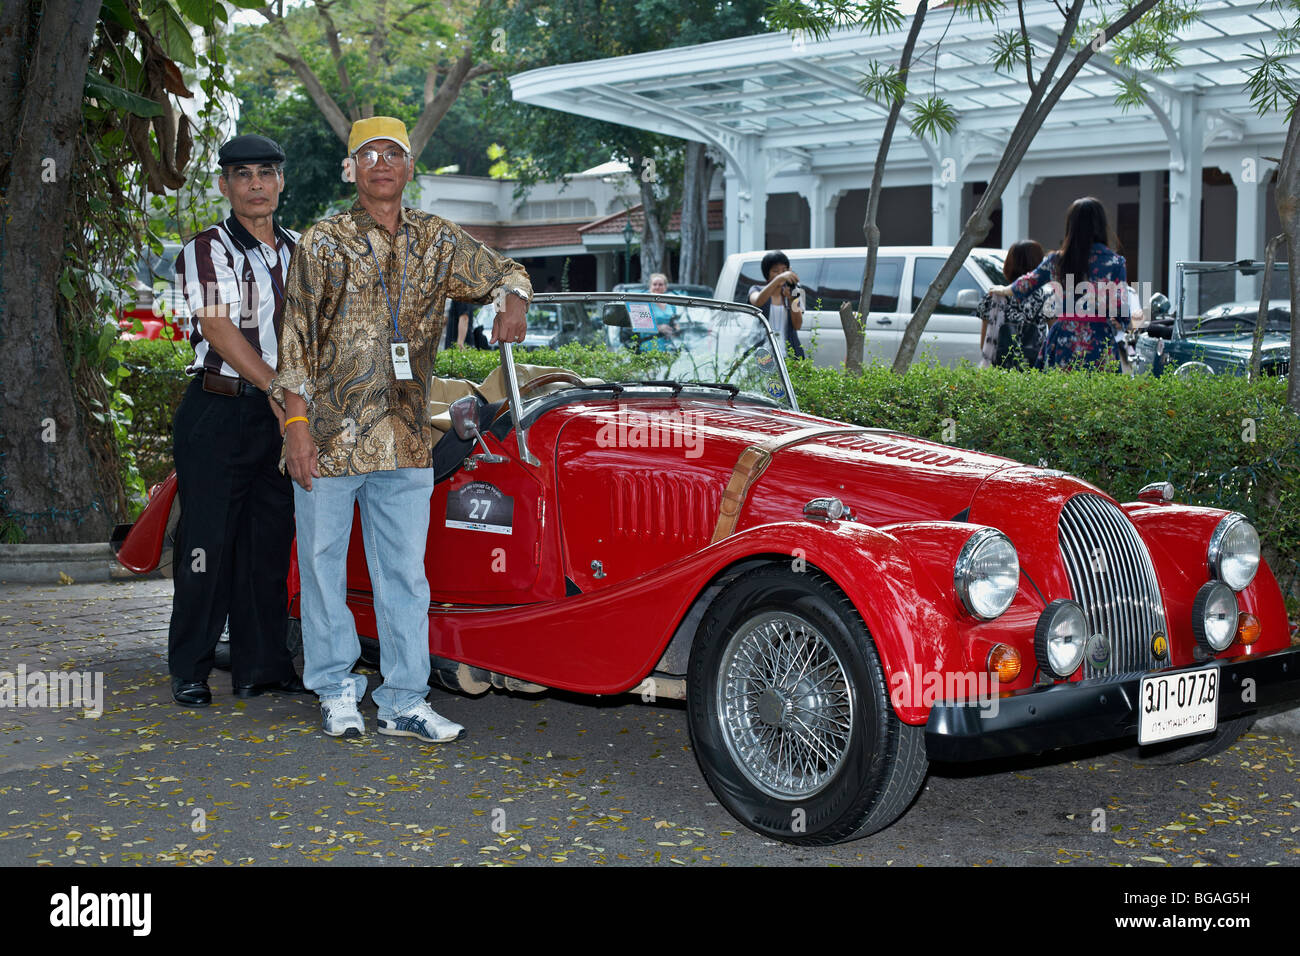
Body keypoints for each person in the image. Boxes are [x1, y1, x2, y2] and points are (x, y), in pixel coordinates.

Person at [273, 117, 530, 743]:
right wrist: (296, 427)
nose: (381, 165)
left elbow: (505, 269)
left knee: (405, 575)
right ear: (352, 170)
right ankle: (336, 690)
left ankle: (404, 702)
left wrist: (514, 299)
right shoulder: (324, 241)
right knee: (323, 563)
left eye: (393, 155)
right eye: (368, 156)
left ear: (409, 168)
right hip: (330, 437)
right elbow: (295, 343)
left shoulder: (436, 239)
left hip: (407, 437)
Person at [169, 134, 309, 707]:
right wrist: (279, 387)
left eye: (266, 173)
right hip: (219, 410)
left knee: (269, 544)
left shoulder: (303, 250)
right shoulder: (206, 250)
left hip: (283, 416)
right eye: (242, 174)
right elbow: (221, 330)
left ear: (281, 182)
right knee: (207, 544)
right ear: (225, 185)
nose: (255, 184)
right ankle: (192, 668)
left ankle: (262, 668)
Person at [990, 197, 1129, 370]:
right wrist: (1122, 321)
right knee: (1099, 394)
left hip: (1064, 339)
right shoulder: (1115, 262)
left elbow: (1028, 282)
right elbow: (1121, 307)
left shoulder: (1056, 260)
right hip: (1099, 338)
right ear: (1101, 224)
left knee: (1060, 393)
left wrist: (1004, 290)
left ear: (1071, 226)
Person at [976, 240, 1051, 369]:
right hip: (1035, 370)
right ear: (1039, 266)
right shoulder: (1047, 297)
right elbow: (1052, 340)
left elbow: (984, 343)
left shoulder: (993, 296)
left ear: (1008, 264)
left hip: (1000, 370)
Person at [748, 251, 806, 359]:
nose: (781, 274)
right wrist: (779, 278)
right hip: (762, 355)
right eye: (776, 271)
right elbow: (757, 301)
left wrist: (792, 299)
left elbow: (797, 325)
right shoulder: (756, 289)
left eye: (784, 270)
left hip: (788, 355)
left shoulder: (794, 292)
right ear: (767, 274)